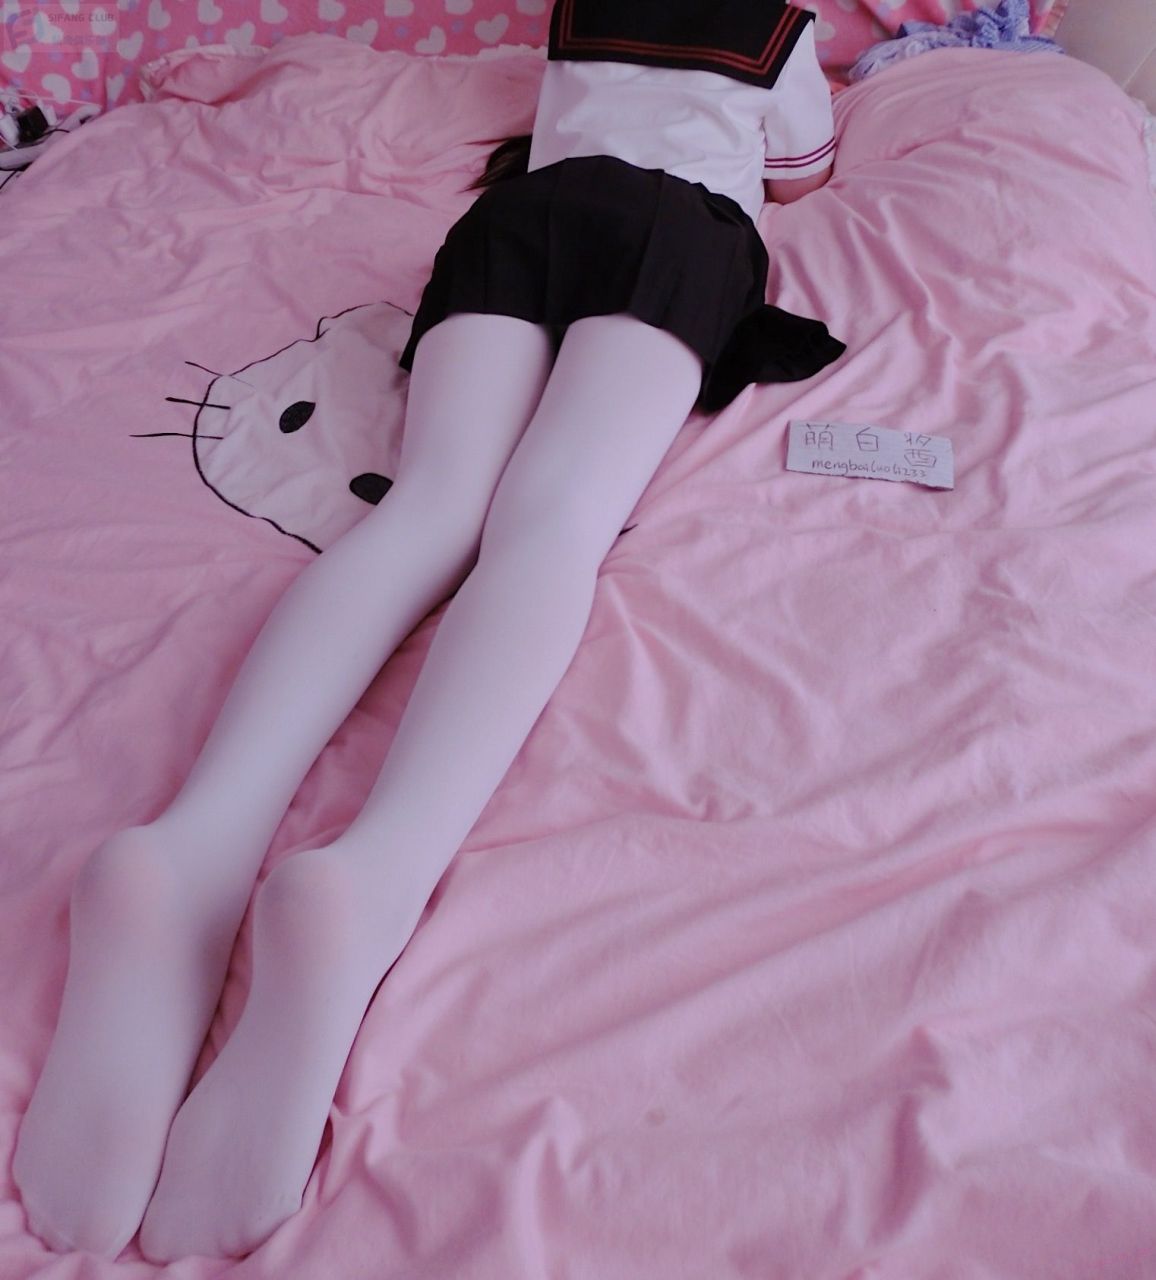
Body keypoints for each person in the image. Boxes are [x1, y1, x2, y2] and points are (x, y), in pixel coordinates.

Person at [12, 0, 844, 1263]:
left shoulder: (581, 9)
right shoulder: (778, 27)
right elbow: (803, 173)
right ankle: (375, 870)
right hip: (677, 230)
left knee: (425, 509)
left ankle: (194, 838)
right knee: (551, 521)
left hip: (523, 220)